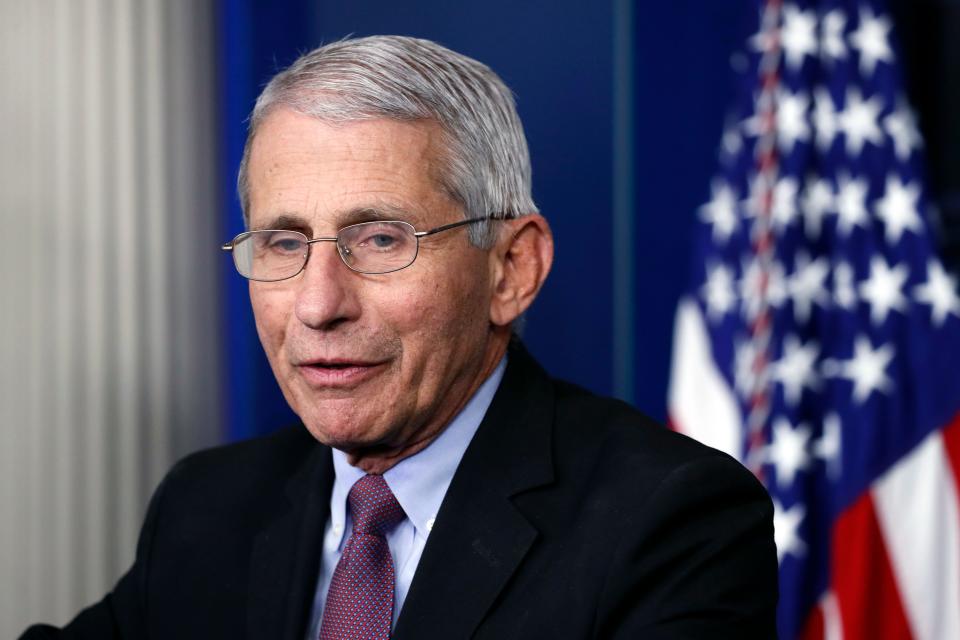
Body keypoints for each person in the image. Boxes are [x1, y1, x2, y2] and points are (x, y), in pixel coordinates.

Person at [21, 35, 777, 639]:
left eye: (381, 240)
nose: (318, 305)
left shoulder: (671, 521)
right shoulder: (209, 506)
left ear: (512, 268)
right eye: (284, 243)